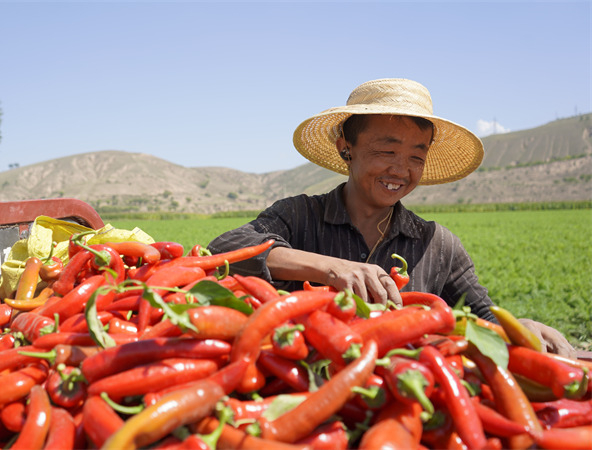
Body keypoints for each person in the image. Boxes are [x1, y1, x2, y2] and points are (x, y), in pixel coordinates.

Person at [208, 78, 576, 358]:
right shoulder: (299, 215)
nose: (400, 170)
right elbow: (224, 249)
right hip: (302, 393)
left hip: (397, 404)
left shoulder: (436, 244)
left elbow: (484, 318)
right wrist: (330, 268)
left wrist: (520, 327)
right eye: (387, 150)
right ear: (345, 149)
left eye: (417, 156)